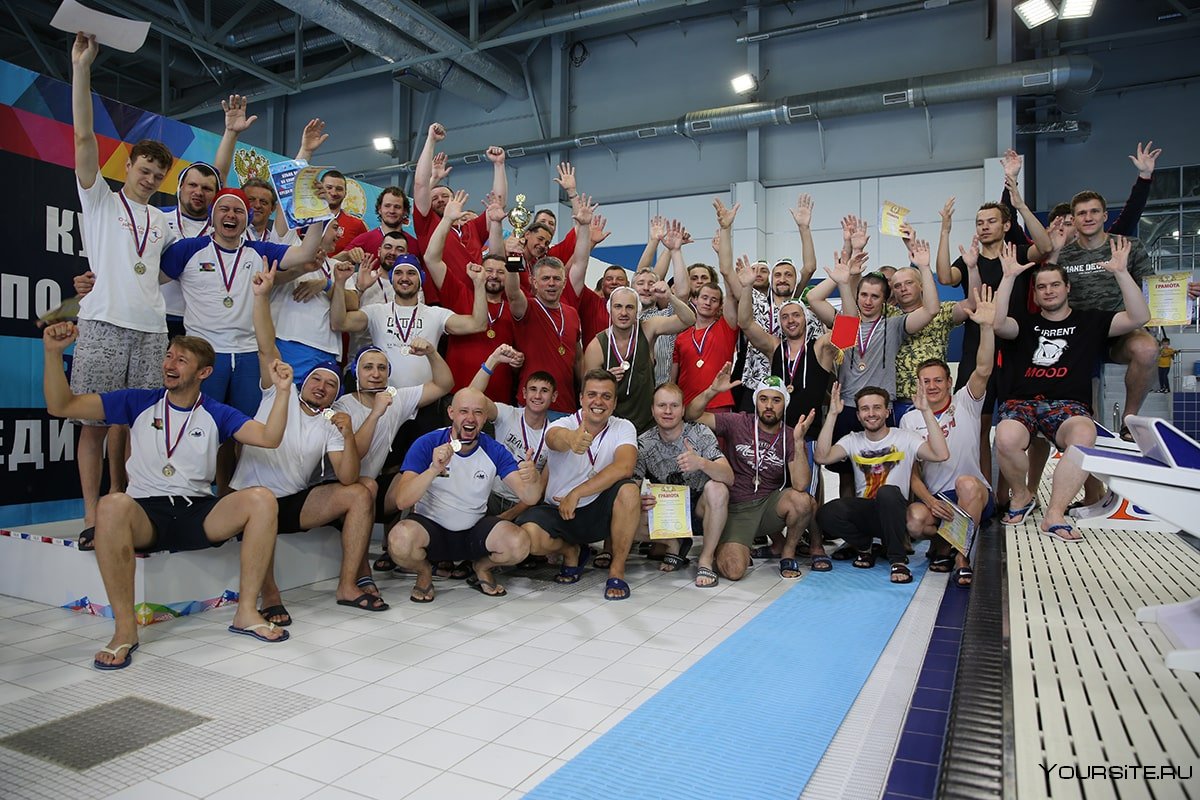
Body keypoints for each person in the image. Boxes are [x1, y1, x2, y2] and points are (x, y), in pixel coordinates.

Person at [43, 322, 294, 667]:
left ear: (204, 372)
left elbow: (269, 437)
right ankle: (124, 630)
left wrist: (282, 391)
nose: (169, 365)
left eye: (181, 360)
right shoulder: (137, 401)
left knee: (262, 499)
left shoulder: (216, 412)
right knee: (113, 504)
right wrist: (53, 354)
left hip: (198, 511)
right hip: (147, 513)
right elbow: (63, 405)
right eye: (169, 357)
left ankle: (247, 611)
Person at [69, 32, 179, 548]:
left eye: (157, 175)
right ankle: (93, 517)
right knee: (94, 425)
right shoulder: (101, 201)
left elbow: (156, 272)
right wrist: (82, 70)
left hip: (151, 332)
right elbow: (84, 140)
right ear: (128, 166)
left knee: (136, 427)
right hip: (104, 325)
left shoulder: (161, 221)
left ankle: (125, 507)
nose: (149, 178)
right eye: (143, 169)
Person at [231, 263, 381, 622]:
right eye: (317, 381)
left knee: (361, 492)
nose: (322, 388)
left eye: (330, 386)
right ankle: (268, 592)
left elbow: (346, 479)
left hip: (294, 502)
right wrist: (261, 296)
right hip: (252, 499)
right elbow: (267, 346)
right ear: (304, 382)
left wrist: (346, 433)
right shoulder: (277, 394)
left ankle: (348, 585)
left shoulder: (331, 423)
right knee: (263, 502)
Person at [992, 238, 1150, 541]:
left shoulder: (1090, 321)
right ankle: (1022, 495)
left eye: (1054, 285)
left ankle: (1054, 514)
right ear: (1036, 294)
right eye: (1042, 287)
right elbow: (998, 324)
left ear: (1067, 288)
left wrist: (1120, 271)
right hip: (1023, 402)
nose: (1048, 291)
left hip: (1067, 405)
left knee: (1084, 434)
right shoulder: (1026, 324)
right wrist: (1009, 276)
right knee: (1006, 435)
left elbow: (1139, 317)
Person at [807, 244, 941, 499]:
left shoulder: (893, 327)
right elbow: (813, 299)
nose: (868, 301)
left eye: (875, 296)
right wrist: (838, 280)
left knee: (887, 470)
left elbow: (932, 310)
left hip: (880, 408)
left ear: (885, 300)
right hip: (847, 407)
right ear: (856, 297)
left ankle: (891, 523)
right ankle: (851, 526)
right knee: (847, 474)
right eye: (864, 295)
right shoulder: (845, 328)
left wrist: (924, 267)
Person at [389, 389, 543, 600]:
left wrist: (533, 479)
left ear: (485, 418)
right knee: (398, 540)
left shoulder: (494, 450)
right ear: (451, 413)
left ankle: (482, 567)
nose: (470, 418)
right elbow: (401, 500)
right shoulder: (427, 443)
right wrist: (433, 469)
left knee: (519, 544)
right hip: (430, 528)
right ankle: (424, 572)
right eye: (464, 411)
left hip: (474, 532)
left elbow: (530, 497)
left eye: (478, 412)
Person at [901, 286, 1000, 589]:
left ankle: (960, 555)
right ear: (918, 385)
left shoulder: (966, 402)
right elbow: (912, 473)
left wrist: (986, 327)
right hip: (939, 501)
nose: (932, 387)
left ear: (950, 382)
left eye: (937, 381)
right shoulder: (910, 419)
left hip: (974, 495)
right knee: (915, 520)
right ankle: (945, 542)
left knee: (966, 483)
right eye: (925, 381)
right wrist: (929, 500)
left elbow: (983, 368)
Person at [517, 370, 644, 600]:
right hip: (558, 511)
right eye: (592, 394)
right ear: (581, 398)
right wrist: (572, 440)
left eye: (606, 396)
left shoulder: (624, 427)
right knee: (529, 538)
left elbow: (625, 467)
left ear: (614, 403)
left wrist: (577, 493)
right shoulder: (562, 424)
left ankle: (617, 570)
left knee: (629, 490)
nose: (598, 401)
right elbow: (554, 439)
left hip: (596, 510)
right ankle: (570, 550)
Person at [686, 371, 817, 581]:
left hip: (767, 506)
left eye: (776, 400)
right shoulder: (738, 422)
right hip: (734, 509)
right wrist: (712, 391)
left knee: (803, 501)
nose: (769, 406)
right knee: (733, 571)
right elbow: (691, 415)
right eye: (763, 399)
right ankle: (725, 540)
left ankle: (787, 553)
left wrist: (799, 442)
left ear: (785, 404)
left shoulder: (790, 435)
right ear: (756, 401)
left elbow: (801, 485)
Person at [814, 381, 949, 584]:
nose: (871, 413)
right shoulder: (852, 440)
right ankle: (865, 546)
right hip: (869, 513)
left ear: (887, 412)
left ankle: (898, 560)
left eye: (877, 407)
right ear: (858, 415)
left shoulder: (906, 438)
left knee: (887, 492)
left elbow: (941, 454)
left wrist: (926, 412)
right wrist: (833, 414)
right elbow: (822, 457)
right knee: (826, 513)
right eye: (865, 409)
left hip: (896, 511)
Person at [1051, 190, 1156, 437]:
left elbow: (1152, 286)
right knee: (1089, 419)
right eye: (1081, 213)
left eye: (1094, 211)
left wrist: (1181, 291)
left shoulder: (1127, 246)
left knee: (1147, 349)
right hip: (1079, 336)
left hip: (1120, 329)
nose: (1088, 217)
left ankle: (1129, 420)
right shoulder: (1063, 256)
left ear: (1105, 216)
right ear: (1073, 220)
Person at [638, 383, 735, 587]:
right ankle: (674, 543)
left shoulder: (700, 433)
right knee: (625, 504)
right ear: (652, 410)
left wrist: (701, 462)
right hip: (667, 512)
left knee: (717, 489)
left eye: (674, 405)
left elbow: (728, 477)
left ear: (683, 410)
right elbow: (632, 482)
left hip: (700, 510)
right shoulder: (643, 443)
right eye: (661, 405)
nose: (667, 411)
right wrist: (640, 497)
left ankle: (706, 559)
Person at [506, 196, 597, 413]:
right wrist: (512, 257)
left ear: (564, 282)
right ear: (534, 282)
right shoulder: (526, 307)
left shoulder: (572, 313)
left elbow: (578, 360)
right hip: (530, 405)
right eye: (545, 279)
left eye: (557, 279)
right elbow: (511, 292)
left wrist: (583, 227)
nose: (551, 283)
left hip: (566, 406)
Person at [428, 191, 518, 400]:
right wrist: (447, 220)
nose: (494, 276)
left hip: (500, 402)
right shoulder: (460, 294)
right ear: (479, 270)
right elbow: (432, 259)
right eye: (489, 271)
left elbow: (515, 277)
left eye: (500, 272)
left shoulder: (513, 304)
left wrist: (514, 256)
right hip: (458, 397)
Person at [581, 284, 696, 432]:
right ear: (609, 309)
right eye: (618, 306)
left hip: (647, 425)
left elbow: (689, 320)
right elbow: (587, 391)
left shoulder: (648, 328)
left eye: (629, 307)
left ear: (638, 310)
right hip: (610, 426)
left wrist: (670, 297)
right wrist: (606, 379)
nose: (623, 312)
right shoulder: (597, 346)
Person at [469, 345, 555, 521]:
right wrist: (493, 360)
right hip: (489, 494)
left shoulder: (554, 435)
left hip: (524, 504)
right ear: (524, 393)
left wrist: (509, 515)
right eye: (533, 389)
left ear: (554, 397)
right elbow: (472, 397)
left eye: (544, 391)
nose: (537, 396)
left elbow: (541, 489)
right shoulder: (508, 414)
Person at [291, 119, 367, 253]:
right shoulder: (304, 216)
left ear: (345, 193)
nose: (333, 192)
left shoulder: (357, 225)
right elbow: (291, 186)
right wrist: (305, 151)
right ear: (320, 188)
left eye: (339, 189)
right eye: (329, 187)